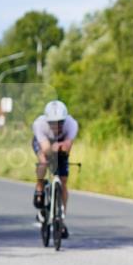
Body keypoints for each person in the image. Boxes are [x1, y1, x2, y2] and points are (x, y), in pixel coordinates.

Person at [32, 100, 78, 237]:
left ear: (65, 120)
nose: (57, 126)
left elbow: (68, 147)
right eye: (53, 123)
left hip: (61, 146)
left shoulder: (71, 124)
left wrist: (61, 149)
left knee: (63, 181)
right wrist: (54, 149)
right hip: (43, 143)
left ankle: (61, 221)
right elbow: (46, 149)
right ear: (47, 121)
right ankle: (40, 186)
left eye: (60, 123)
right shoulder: (39, 124)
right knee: (43, 162)